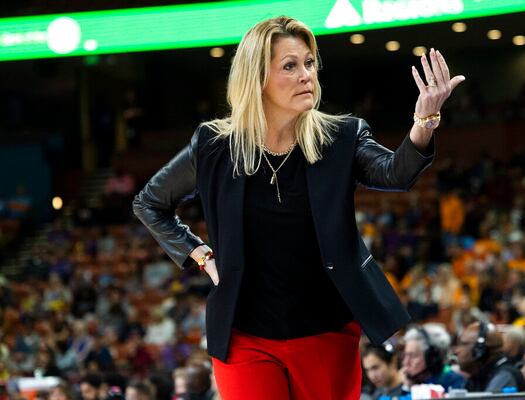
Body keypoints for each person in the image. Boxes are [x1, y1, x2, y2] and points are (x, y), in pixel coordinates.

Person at [133, 15, 464, 400]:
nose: (307, 74)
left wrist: (423, 121)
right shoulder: (214, 146)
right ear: (256, 78)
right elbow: (150, 203)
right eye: (290, 66)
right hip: (245, 335)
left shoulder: (341, 136)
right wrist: (202, 256)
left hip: (325, 330)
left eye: (309, 63)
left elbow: (395, 173)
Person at [454, 321, 525, 393]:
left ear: (479, 351)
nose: (456, 351)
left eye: (463, 344)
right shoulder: (478, 377)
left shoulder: (504, 376)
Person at [402, 324, 465, 392]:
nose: (405, 362)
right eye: (405, 355)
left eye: (413, 356)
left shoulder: (455, 383)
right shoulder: (407, 385)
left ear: (432, 358)